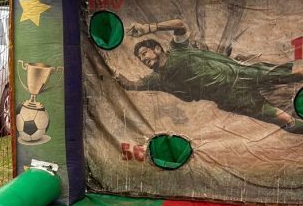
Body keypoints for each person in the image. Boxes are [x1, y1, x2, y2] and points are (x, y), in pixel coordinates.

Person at [119, 18, 303, 128]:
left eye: (144, 53)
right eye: (140, 58)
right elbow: (130, 85)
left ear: (157, 49)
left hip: (240, 73)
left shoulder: (178, 49)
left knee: (292, 73)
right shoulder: (157, 79)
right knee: (284, 119)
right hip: (232, 98)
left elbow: (180, 25)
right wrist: (107, 70)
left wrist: (149, 28)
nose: (143, 59)